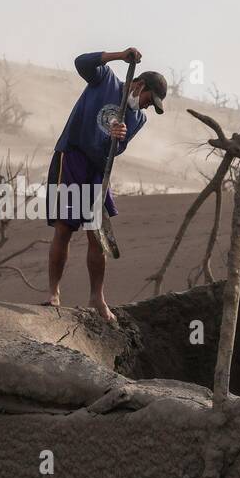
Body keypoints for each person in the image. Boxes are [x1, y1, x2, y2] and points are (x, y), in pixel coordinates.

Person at [43, 46, 167, 321]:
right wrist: (119, 56)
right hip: (72, 156)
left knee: (97, 237)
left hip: (99, 170)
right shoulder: (105, 80)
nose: (148, 105)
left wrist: (118, 138)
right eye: (149, 99)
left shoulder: (138, 118)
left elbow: (113, 152)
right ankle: (54, 293)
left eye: (152, 104)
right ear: (139, 84)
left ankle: (97, 297)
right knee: (64, 228)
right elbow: (80, 61)